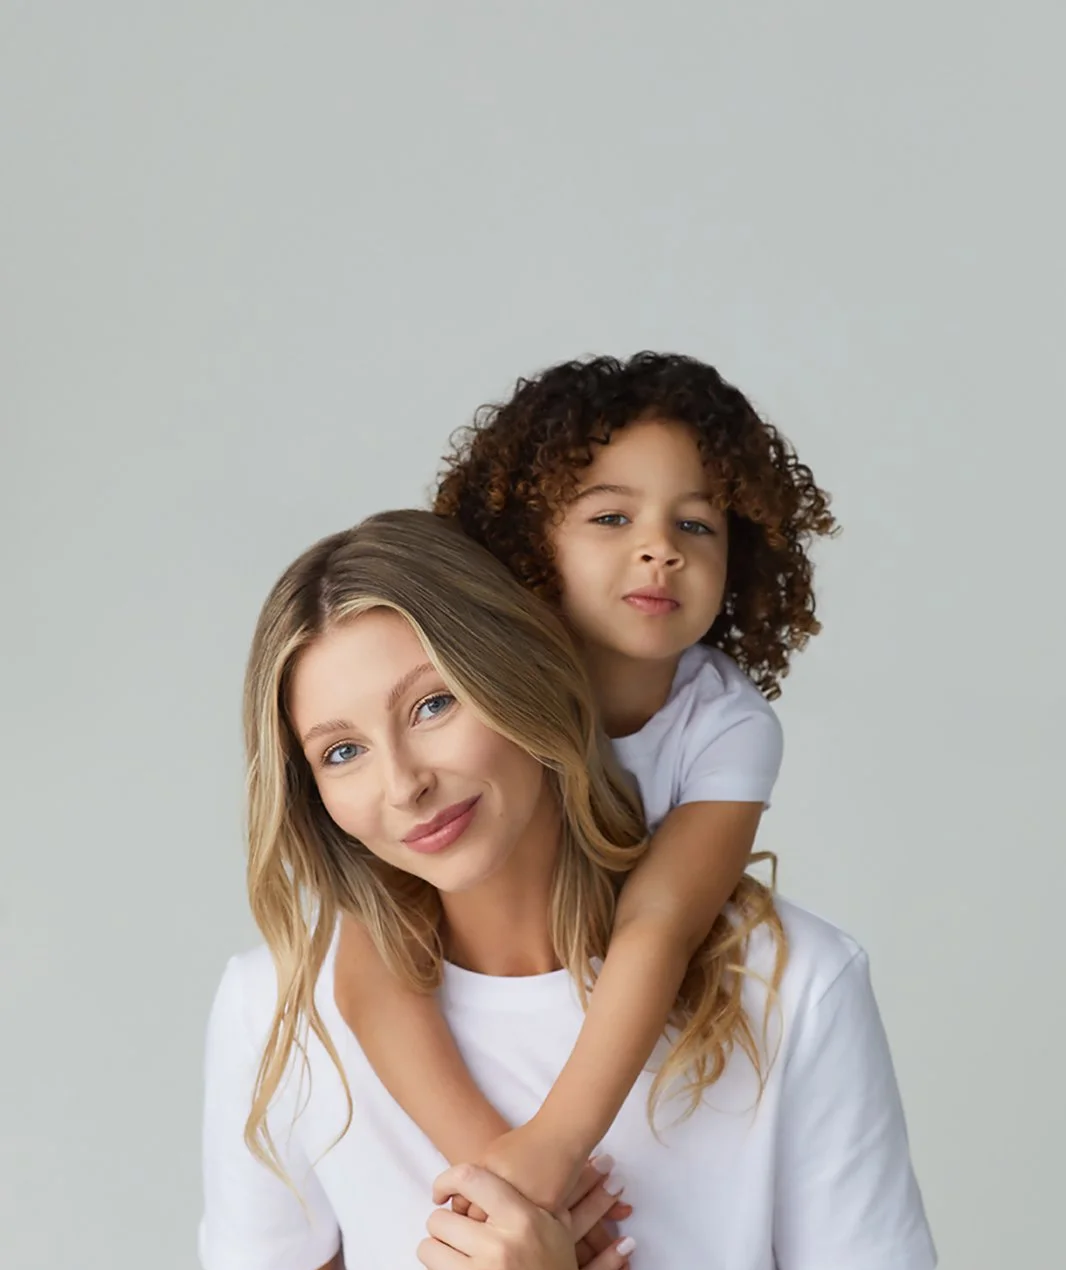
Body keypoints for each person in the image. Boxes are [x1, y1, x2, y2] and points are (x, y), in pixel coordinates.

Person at [199, 510, 937, 1270]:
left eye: (434, 704)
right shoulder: (279, 1005)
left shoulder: (789, 986)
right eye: (343, 751)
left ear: (524, 675)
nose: (401, 782)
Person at [331, 352, 837, 1224]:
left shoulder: (729, 726)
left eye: (698, 525)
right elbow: (373, 953)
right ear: (529, 547)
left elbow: (659, 920)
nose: (660, 549)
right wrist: (508, 1173)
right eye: (611, 515)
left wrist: (558, 1143)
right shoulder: (478, 694)